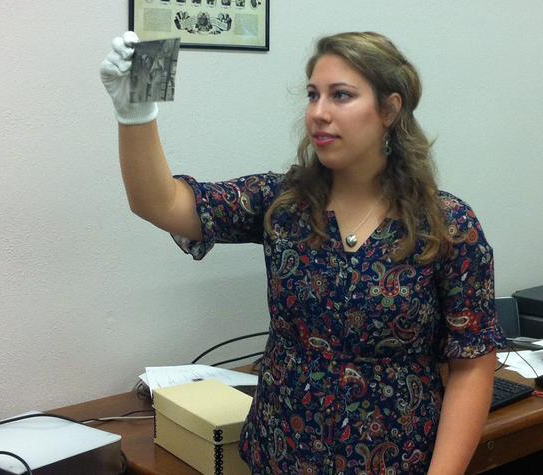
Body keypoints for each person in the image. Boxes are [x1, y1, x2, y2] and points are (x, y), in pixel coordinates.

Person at [100, 30, 506, 474]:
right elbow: (160, 203)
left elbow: (472, 367)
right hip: (280, 456)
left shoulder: (447, 226)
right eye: (313, 95)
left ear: (389, 109)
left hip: (396, 460)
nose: (318, 112)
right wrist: (136, 112)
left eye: (341, 96)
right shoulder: (285, 204)